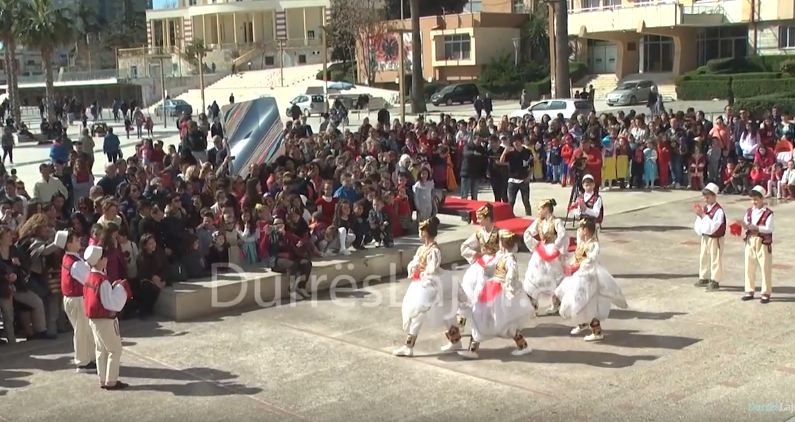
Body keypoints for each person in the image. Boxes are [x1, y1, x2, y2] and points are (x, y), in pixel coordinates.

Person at [393, 217, 465, 357]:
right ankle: (456, 342)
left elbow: (433, 267)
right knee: (446, 311)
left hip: (433, 283)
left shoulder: (434, 250)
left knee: (418, 313)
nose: (419, 233)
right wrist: (413, 268)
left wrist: (422, 273)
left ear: (425, 232)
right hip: (427, 282)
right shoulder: (422, 248)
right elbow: (415, 261)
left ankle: (409, 346)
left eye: (420, 230)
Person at [458, 230, 533, 359]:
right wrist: (484, 269)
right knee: (479, 316)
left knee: (504, 323)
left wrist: (509, 286)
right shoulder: (500, 255)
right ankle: (473, 349)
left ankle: (523, 346)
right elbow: (490, 267)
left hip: (499, 292)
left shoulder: (509, 258)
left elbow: (512, 274)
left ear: (503, 243)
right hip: (492, 289)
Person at [555, 218, 628, 341]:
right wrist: (572, 265)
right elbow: (577, 253)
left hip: (588, 276)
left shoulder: (593, 244)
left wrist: (578, 266)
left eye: (582, 228)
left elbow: (591, 259)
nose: (579, 230)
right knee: (576, 300)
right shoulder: (583, 242)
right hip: (579, 274)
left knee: (587, 303)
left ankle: (597, 332)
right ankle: (583, 323)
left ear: (587, 230)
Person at [82, 245, 132, 390]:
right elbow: (109, 303)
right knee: (114, 349)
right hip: (104, 319)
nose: (106, 259)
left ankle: (103, 379)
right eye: (103, 258)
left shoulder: (89, 277)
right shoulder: (101, 280)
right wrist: (120, 288)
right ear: (98, 261)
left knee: (100, 349)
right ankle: (111, 381)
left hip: (93, 319)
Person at [54, 229, 95, 372]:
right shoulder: (75, 263)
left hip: (73, 299)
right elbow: (88, 280)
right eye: (76, 240)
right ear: (69, 244)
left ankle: (88, 358)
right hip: (77, 300)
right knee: (82, 331)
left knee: (84, 330)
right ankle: (83, 362)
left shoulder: (69, 258)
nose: (79, 242)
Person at [523, 199, 567, 314]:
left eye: (540, 209)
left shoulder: (556, 221)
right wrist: (535, 244)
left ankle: (556, 302)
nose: (538, 211)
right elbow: (527, 233)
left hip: (552, 252)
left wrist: (556, 246)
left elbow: (562, 234)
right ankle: (533, 302)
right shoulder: (539, 222)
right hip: (541, 252)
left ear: (546, 209)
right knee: (535, 276)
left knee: (554, 276)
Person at [459, 204, 500, 325]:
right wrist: (475, 254)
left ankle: (493, 316)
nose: (477, 221)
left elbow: (507, 249)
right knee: (470, 286)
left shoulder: (499, 233)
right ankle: (468, 314)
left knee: (494, 289)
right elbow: (464, 246)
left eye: (480, 218)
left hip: (495, 262)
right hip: (481, 264)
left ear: (487, 219)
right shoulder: (479, 233)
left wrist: (499, 258)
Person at [739, 185, 774, 303]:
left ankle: (765, 292)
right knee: (749, 266)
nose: (754, 202)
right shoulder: (749, 211)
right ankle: (749, 290)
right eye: (752, 199)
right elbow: (746, 224)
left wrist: (757, 228)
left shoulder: (768, 213)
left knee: (765, 267)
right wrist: (742, 226)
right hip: (750, 240)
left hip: (762, 242)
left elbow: (769, 228)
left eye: (756, 199)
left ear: (762, 199)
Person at [693, 183, 725, 291]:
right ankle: (704, 277)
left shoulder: (718, 211)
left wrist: (703, 216)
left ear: (714, 196)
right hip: (705, 236)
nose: (705, 200)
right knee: (704, 256)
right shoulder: (705, 208)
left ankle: (715, 280)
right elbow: (699, 224)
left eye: (708, 197)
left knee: (715, 258)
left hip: (715, 238)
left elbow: (714, 227)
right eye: (705, 197)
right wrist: (700, 227)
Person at [502, 136, 532, 215]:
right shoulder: (510, 153)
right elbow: (502, 161)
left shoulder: (527, 152)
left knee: (526, 201)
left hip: (524, 179)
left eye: (518, 141)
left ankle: (529, 216)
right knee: (511, 201)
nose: (516, 143)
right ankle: (509, 216)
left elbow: (532, 165)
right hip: (513, 180)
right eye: (514, 142)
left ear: (521, 142)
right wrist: (505, 151)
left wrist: (529, 177)